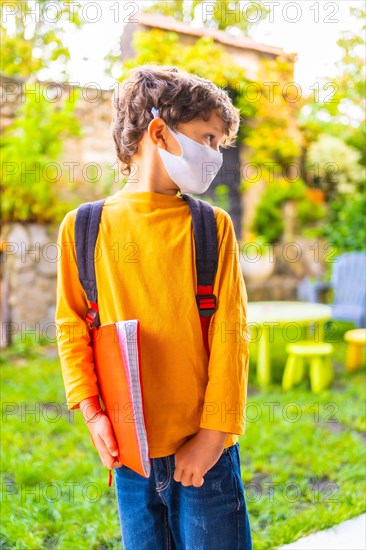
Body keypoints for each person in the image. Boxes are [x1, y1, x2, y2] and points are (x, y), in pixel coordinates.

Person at [55, 64, 252, 550]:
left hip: (205, 456)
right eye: (208, 138)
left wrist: (212, 436)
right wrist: (92, 413)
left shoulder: (212, 227)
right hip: (130, 458)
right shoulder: (83, 229)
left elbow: (232, 333)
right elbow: (72, 325)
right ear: (160, 132)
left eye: (219, 145)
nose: (214, 155)